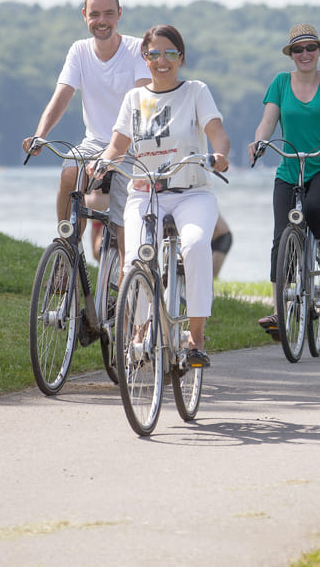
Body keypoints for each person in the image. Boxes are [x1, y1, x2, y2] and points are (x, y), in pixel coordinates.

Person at [94, 24, 230, 367]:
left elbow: (218, 134)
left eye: (170, 53)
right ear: (146, 58)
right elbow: (116, 146)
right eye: (154, 54)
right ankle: (139, 333)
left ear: (180, 58)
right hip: (144, 194)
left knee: (197, 246)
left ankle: (196, 339)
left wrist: (220, 155)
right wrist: (102, 165)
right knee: (135, 261)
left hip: (192, 193)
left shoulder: (196, 91)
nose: (162, 60)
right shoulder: (134, 99)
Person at [23, 0, 150, 252]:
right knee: (69, 171)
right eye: (94, 14)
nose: (101, 21)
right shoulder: (79, 51)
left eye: (108, 14)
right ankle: (67, 247)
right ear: (84, 15)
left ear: (119, 15)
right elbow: (62, 95)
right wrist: (40, 135)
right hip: (94, 143)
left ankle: (125, 276)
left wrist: (116, 151)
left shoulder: (137, 48)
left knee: (123, 215)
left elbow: (142, 102)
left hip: (132, 146)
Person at [249, 24, 320, 337]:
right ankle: (281, 311)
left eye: (310, 48)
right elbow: (267, 122)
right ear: (291, 55)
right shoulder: (280, 83)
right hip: (291, 169)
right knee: (281, 238)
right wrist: (259, 143)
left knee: (315, 205)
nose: (305, 54)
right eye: (298, 49)